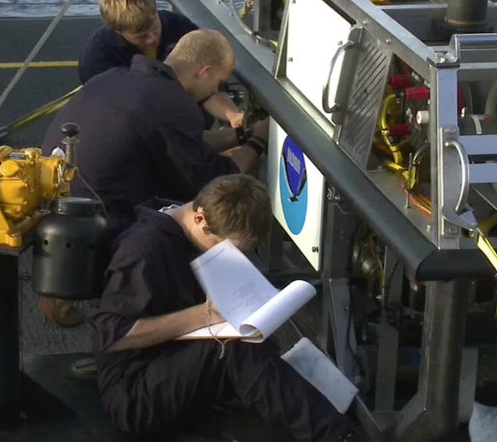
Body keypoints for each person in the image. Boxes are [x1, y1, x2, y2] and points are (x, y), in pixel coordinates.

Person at [90, 174, 354, 441]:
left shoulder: (194, 232)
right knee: (235, 348)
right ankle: (334, 435)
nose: (233, 258)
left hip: (177, 358)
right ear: (200, 219)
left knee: (254, 343)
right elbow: (112, 336)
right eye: (227, 248)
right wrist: (201, 316)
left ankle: (330, 418)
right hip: (134, 390)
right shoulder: (144, 249)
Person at [39, 29, 267, 329]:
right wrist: (259, 142)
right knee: (196, 216)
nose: (216, 90)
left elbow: (173, 141)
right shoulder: (174, 105)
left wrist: (234, 136)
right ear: (204, 71)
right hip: (102, 221)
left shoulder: (114, 78)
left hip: (54, 205)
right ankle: (146, 322)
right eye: (217, 82)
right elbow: (215, 180)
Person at [79, 0, 245, 129]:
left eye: (154, 28)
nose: (152, 39)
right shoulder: (98, 57)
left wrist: (232, 115)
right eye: (141, 36)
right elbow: (115, 113)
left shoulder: (180, 28)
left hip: (188, 124)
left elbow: (206, 82)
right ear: (118, 30)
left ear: (156, 12)